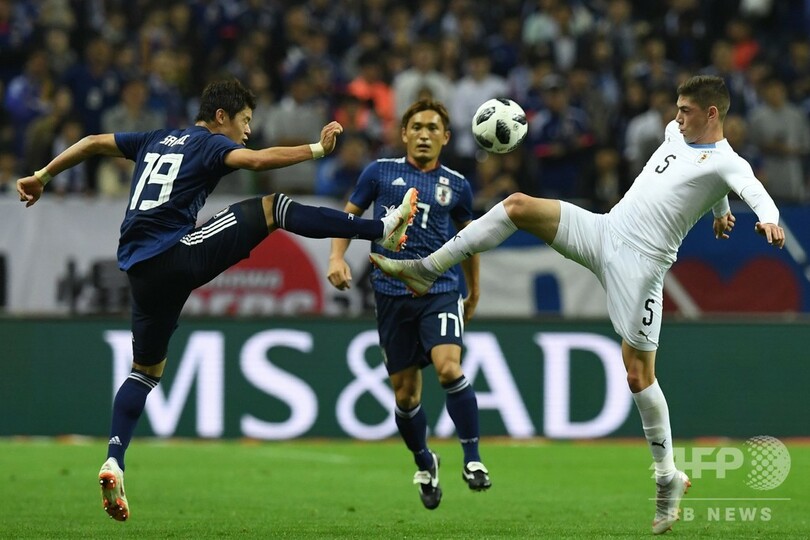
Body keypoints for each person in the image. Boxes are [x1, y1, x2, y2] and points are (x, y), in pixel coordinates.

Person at [369, 76, 785, 533]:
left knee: (638, 374)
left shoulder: (729, 161)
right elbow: (710, 179)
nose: (677, 116)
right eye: (678, 108)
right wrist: (719, 211)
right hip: (603, 230)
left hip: (641, 267)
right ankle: (427, 268)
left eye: (686, 110)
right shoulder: (675, 133)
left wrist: (766, 218)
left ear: (711, 114)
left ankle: (666, 476)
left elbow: (748, 187)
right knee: (517, 205)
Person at [16, 78, 418, 522]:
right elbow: (258, 160)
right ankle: (382, 230)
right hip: (175, 255)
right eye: (244, 120)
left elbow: (93, 141)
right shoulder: (208, 143)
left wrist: (42, 176)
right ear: (221, 116)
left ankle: (114, 458)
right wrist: (316, 150)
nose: (248, 130)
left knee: (145, 371)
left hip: (139, 271)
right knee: (274, 207)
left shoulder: (153, 138)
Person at [327, 99, 489, 511]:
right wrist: (336, 257)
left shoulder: (457, 185)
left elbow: (469, 242)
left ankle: (472, 459)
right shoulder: (379, 172)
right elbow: (348, 217)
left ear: (445, 137)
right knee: (405, 396)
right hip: (391, 295)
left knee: (449, 368)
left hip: (439, 291)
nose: (424, 134)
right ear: (403, 134)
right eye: (416, 127)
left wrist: (473, 291)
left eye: (433, 128)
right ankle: (425, 462)